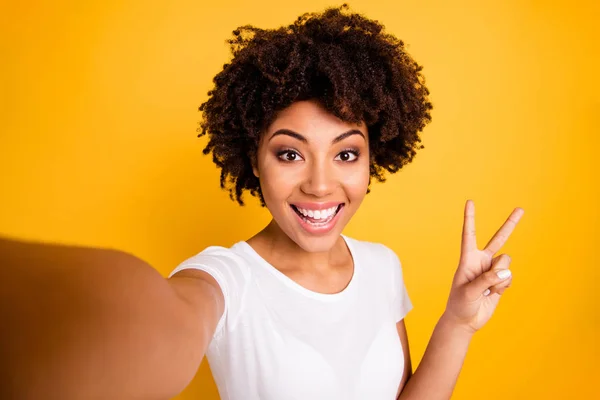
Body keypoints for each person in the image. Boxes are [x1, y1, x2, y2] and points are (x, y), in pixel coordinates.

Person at [0, 3, 524, 400]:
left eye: (346, 155)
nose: (320, 185)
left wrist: (457, 322)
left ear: (373, 159)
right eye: (291, 153)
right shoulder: (226, 279)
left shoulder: (382, 266)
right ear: (253, 159)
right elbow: (149, 321)